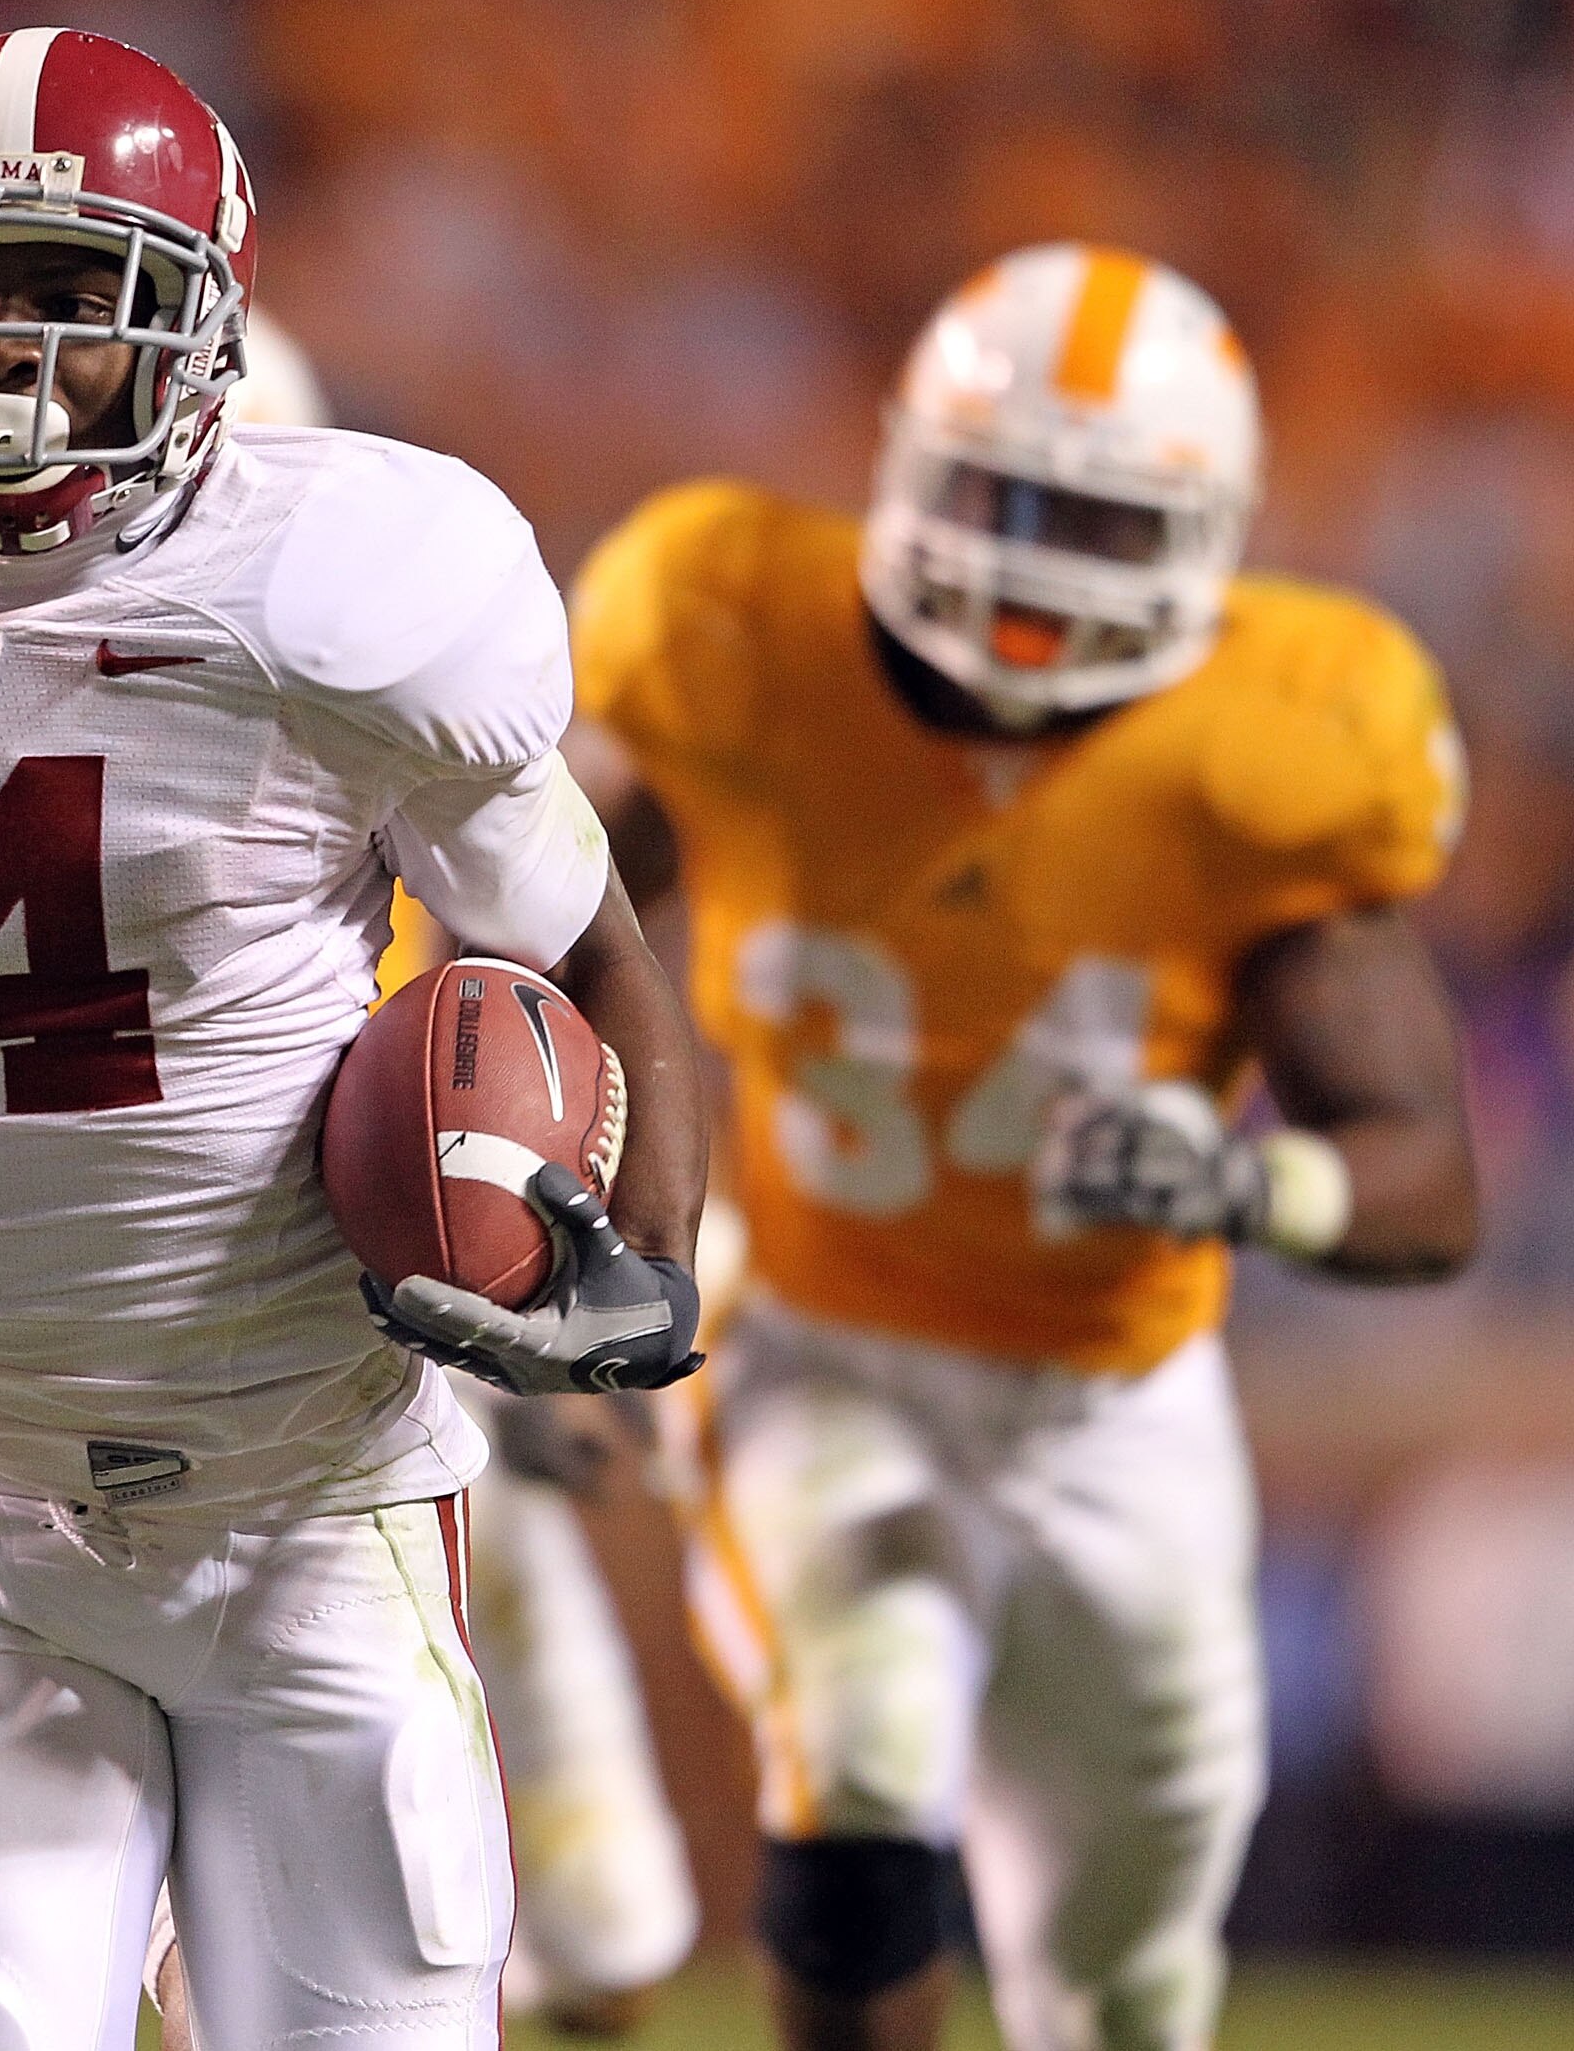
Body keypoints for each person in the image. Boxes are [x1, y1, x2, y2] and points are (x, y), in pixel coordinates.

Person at [0, 29, 709, 2051]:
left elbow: (599, 955)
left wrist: (650, 1264)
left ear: (192, 330)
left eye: (68, 297)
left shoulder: (346, 587)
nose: (0, 353)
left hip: (320, 1496)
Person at [571, 242, 1476, 2051]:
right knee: (860, 1744)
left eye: (1101, 522)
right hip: (829, 1349)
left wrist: (1245, 1183)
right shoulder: (737, 628)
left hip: (1116, 1405)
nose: (1035, 573)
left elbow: (1424, 1169)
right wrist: (550, 1207)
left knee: (1126, 1981)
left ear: (1214, 536)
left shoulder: (1271, 747)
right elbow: (539, 931)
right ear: (901, 462)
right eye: (1003, 493)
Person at [140, 324, 699, 2050]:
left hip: (441, 1286)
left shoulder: (429, 734)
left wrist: (586, 1332)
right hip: (220, 1355)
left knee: (609, 1939)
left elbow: (598, 928)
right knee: (219, 1951)